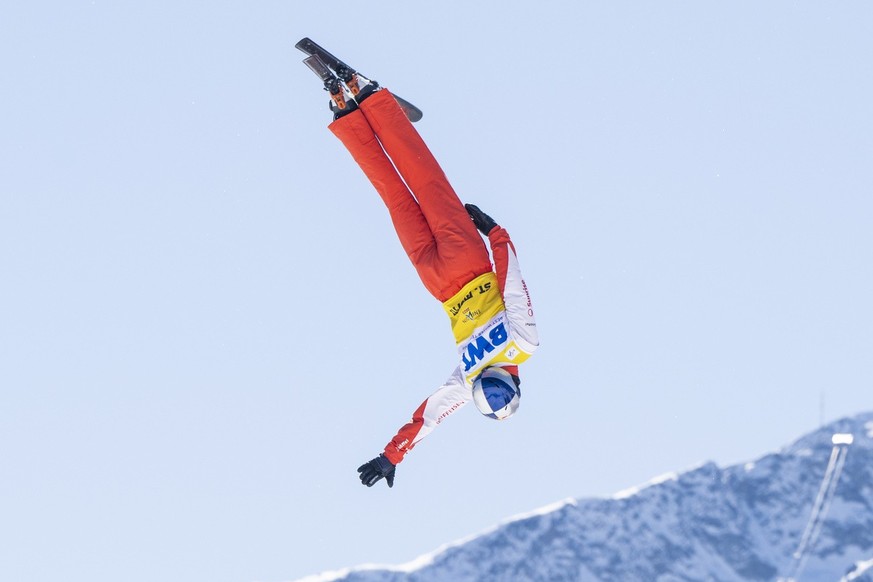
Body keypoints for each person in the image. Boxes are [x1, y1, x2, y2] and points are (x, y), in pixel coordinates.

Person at [319, 78, 539, 488]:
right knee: (397, 195)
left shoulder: (521, 347)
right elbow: (431, 416)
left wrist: (496, 234)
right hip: (440, 279)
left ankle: (366, 98)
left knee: (421, 181)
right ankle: (347, 111)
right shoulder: (475, 375)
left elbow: (513, 283)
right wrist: (391, 455)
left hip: (462, 263)